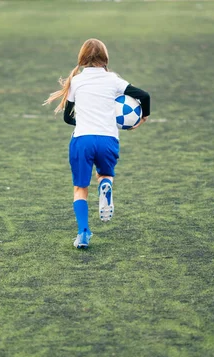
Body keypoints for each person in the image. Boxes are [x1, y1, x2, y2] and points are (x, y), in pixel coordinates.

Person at [44, 38, 151, 249]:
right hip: (107, 139)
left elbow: (68, 118)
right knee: (105, 174)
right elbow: (144, 96)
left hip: (83, 139)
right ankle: (106, 184)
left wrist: (84, 119)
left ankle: (83, 233)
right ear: (105, 58)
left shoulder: (75, 81)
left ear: (82, 59)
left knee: (80, 188)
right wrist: (143, 117)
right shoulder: (113, 80)